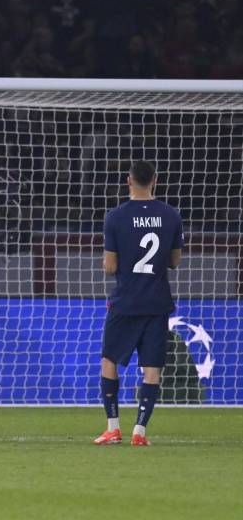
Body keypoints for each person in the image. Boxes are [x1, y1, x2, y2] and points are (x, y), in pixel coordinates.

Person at [96, 161, 183, 446]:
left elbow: (110, 267)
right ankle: (140, 432)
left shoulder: (115, 217)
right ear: (155, 181)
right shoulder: (171, 215)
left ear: (128, 181)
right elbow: (174, 262)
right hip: (157, 302)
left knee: (109, 361)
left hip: (126, 302)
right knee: (152, 369)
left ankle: (113, 428)